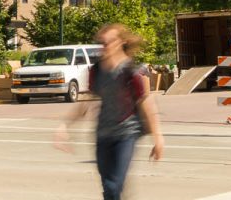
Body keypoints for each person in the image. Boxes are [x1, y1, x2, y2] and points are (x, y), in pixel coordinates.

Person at [54, 23, 165, 200]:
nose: (104, 46)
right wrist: (64, 126)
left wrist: (158, 138)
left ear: (121, 42)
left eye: (109, 42)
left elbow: (146, 103)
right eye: (102, 43)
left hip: (126, 134)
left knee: (114, 186)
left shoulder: (131, 72)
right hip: (103, 135)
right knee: (108, 188)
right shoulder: (97, 70)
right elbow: (87, 102)